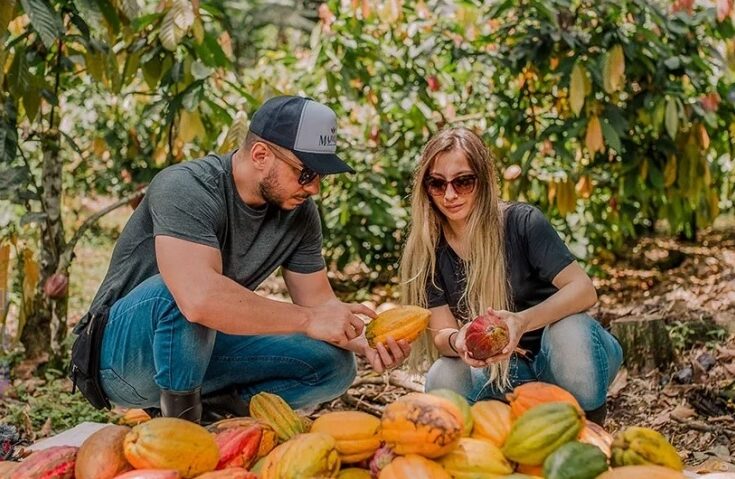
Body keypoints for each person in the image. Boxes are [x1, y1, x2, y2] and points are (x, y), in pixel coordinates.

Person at [73, 96, 410, 423]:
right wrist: (307, 320)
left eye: (322, 176)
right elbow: (199, 300)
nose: (314, 189)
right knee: (180, 293)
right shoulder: (186, 186)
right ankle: (179, 434)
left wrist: (366, 341)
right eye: (306, 173)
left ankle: (216, 421)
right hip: (119, 358)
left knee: (333, 363)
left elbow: (319, 305)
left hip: (200, 347)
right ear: (261, 154)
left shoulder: (300, 214)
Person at [399, 127, 623, 424]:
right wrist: (458, 340)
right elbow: (442, 332)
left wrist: (522, 322)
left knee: (570, 331)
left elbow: (583, 289)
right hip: (504, 374)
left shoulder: (521, 223)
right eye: (437, 184)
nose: (450, 195)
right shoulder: (428, 248)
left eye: (463, 182)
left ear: (483, 181)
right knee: (444, 375)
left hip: (563, 363)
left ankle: (590, 433)